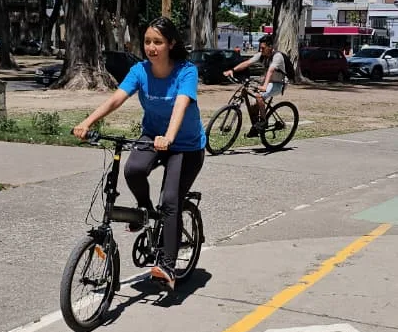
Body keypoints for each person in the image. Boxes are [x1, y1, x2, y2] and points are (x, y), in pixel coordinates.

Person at [72, 17, 206, 291]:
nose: (151, 47)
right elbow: (116, 99)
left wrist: (169, 137)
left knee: (171, 201)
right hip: (153, 137)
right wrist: (87, 122)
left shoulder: (186, 71)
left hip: (186, 145)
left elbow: (181, 105)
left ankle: (168, 265)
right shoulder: (140, 71)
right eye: (147, 42)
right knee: (132, 169)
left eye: (158, 42)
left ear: (171, 44)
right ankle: (145, 208)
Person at [225, 35, 289, 138]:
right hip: (268, 82)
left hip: (279, 84)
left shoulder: (277, 56)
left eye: (263, 48)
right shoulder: (261, 55)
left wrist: (264, 86)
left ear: (270, 47)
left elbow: (271, 70)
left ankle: (264, 122)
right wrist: (232, 70)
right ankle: (255, 128)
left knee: (259, 96)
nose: (261, 50)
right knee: (254, 105)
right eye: (260, 47)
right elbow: (247, 63)